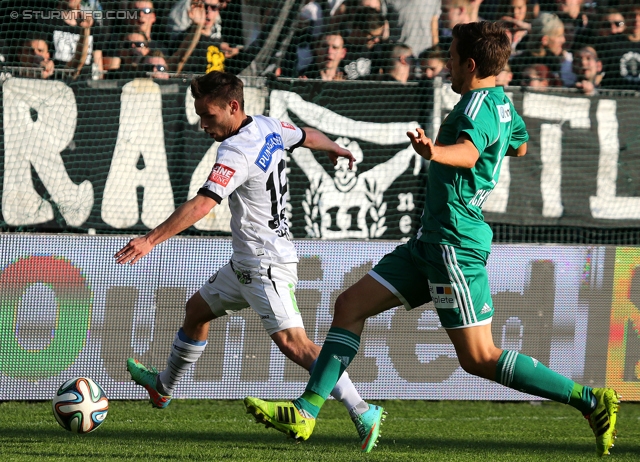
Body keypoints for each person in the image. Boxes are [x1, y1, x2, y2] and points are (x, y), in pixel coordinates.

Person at [243, 21, 621, 457]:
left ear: (472, 64)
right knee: (349, 305)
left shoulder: (478, 104)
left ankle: (590, 400)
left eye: (453, 58)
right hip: (430, 242)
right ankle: (307, 412)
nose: (448, 67)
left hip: (453, 244)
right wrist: (489, 153)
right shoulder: (500, 101)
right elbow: (519, 145)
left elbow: (470, 152)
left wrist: (435, 153)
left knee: (478, 357)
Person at [115, 71, 384, 450]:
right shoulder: (269, 125)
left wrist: (150, 239)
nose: (202, 124)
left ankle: (363, 410)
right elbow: (305, 134)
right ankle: (163, 388)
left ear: (233, 106)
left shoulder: (235, 150)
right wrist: (333, 148)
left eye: (208, 115)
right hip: (245, 261)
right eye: (199, 115)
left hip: (265, 262)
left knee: (295, 344)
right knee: (196, 312)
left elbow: (204, 203)